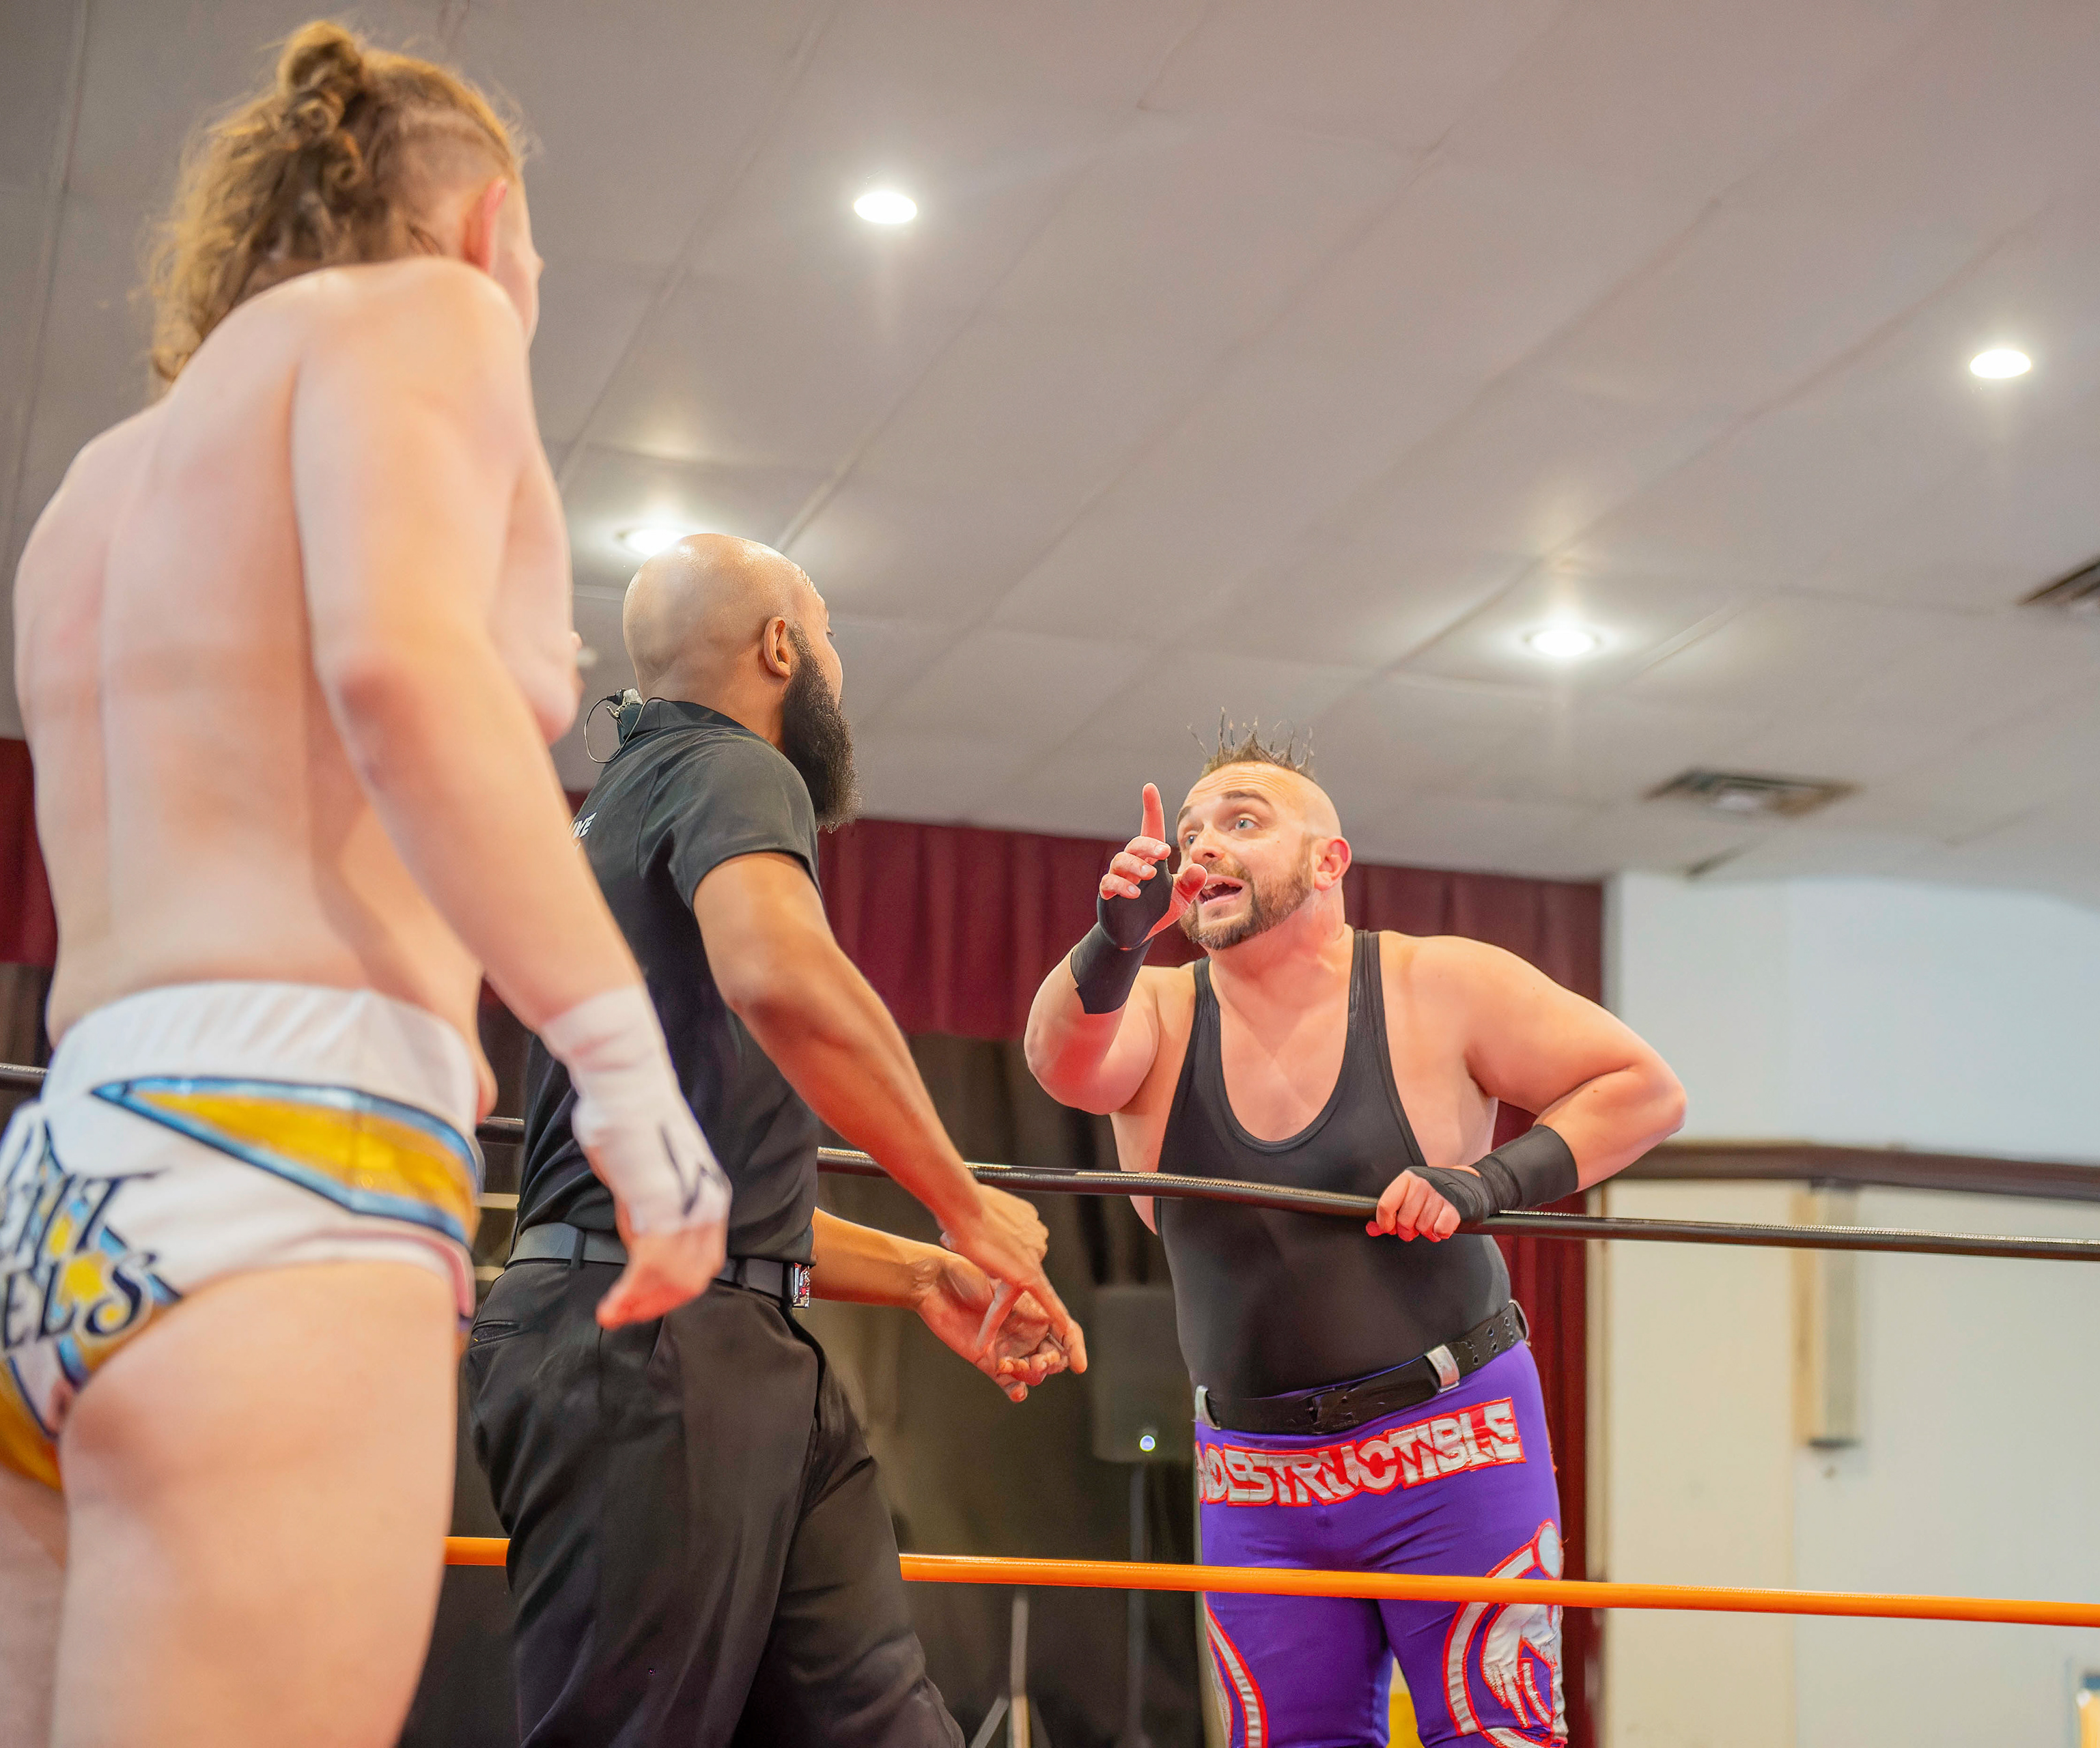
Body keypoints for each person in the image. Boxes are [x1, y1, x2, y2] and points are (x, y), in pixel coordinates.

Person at [0, 23, 764, 1748]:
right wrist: (622, 1068)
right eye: (533, 261)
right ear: (486, 223)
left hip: (51, 1203)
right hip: (277, 1181)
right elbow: (397, 669)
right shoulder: (432, 317)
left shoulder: (96, 486)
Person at [466, 533, 1087, 1748]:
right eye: (832, 637)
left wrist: (925, 1274)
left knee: (878, 1722)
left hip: (723, 1344)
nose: (838, 668)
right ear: (782, 647)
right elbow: (783, 978)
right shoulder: (735, 764)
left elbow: (713, 1188)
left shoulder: (624, 804)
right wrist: (964, 1201)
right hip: (648, 1354)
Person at [1023, 731, 1687, 1748]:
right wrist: (1113, 940)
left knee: (1497, 1734)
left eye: (1243, 821)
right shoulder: (1153, 1006)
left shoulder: (1439, 982)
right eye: (1191, 833)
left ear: (1328, 860)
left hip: (1451, 1441)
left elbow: (1644, 1090)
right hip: (1257, 1469)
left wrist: (1489, 1183)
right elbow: (1062, 1066)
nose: (1205, 846)